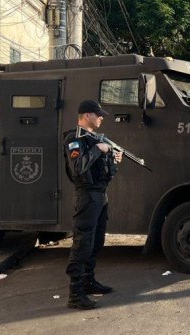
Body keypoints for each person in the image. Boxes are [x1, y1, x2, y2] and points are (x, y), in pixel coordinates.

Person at [63, 100, 123, 310]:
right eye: (98, 115)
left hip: (100, 194)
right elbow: (78, 166)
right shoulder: (75, 139)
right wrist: (99, 148)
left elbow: (103, 170)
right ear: (87, 115)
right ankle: (75, 293)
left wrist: (114, 158)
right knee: (82, 243)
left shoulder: (94, 139)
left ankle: (88, 281)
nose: (101, 118)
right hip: (86, 196)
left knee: (96, 242)